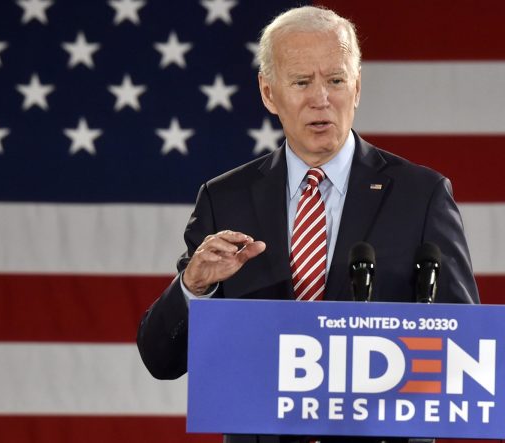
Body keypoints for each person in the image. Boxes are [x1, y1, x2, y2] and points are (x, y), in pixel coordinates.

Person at [137, 6, 480, 443]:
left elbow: (468, 348)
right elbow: (161, 359)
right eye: (302, 82)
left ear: (356, 87)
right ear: (268, 92)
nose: (322, 98)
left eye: (336, 80)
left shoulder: (421, 196)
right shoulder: (225, 200)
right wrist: (193, 286)